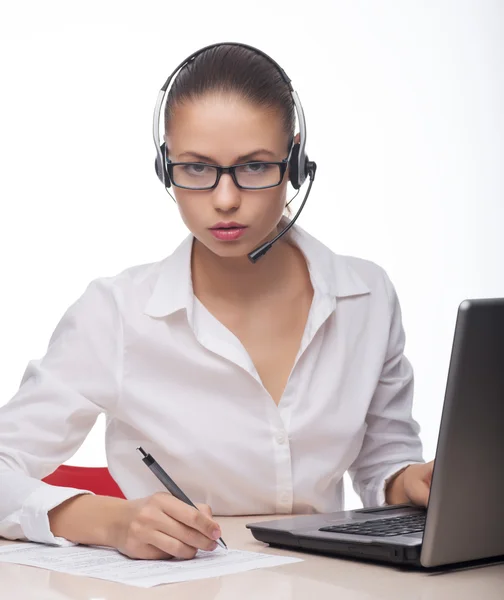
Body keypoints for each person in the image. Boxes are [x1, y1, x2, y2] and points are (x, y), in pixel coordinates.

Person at [0, 42, 434, 561]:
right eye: (197, 168)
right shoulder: (115, 314)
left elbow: (384, 462)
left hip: (331, 581)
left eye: (253, 167)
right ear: (166, 167)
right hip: (178, 585)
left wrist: (411, 481)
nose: (225, 199)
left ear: (295, 160)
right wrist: (110, 519)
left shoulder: (368, 298)